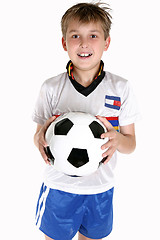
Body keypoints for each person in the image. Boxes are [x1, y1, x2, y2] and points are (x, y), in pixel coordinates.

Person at [33, 2, 140, 240]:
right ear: (64, 43)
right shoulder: (51, 87)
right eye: (75, 35)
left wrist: (117, 139)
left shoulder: (121, 87)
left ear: (106, 42)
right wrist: (38, 138)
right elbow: (38, 136)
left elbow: (131, 144)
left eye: (93, 35)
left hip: (101, 189)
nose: (83, 43)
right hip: (59, 188)